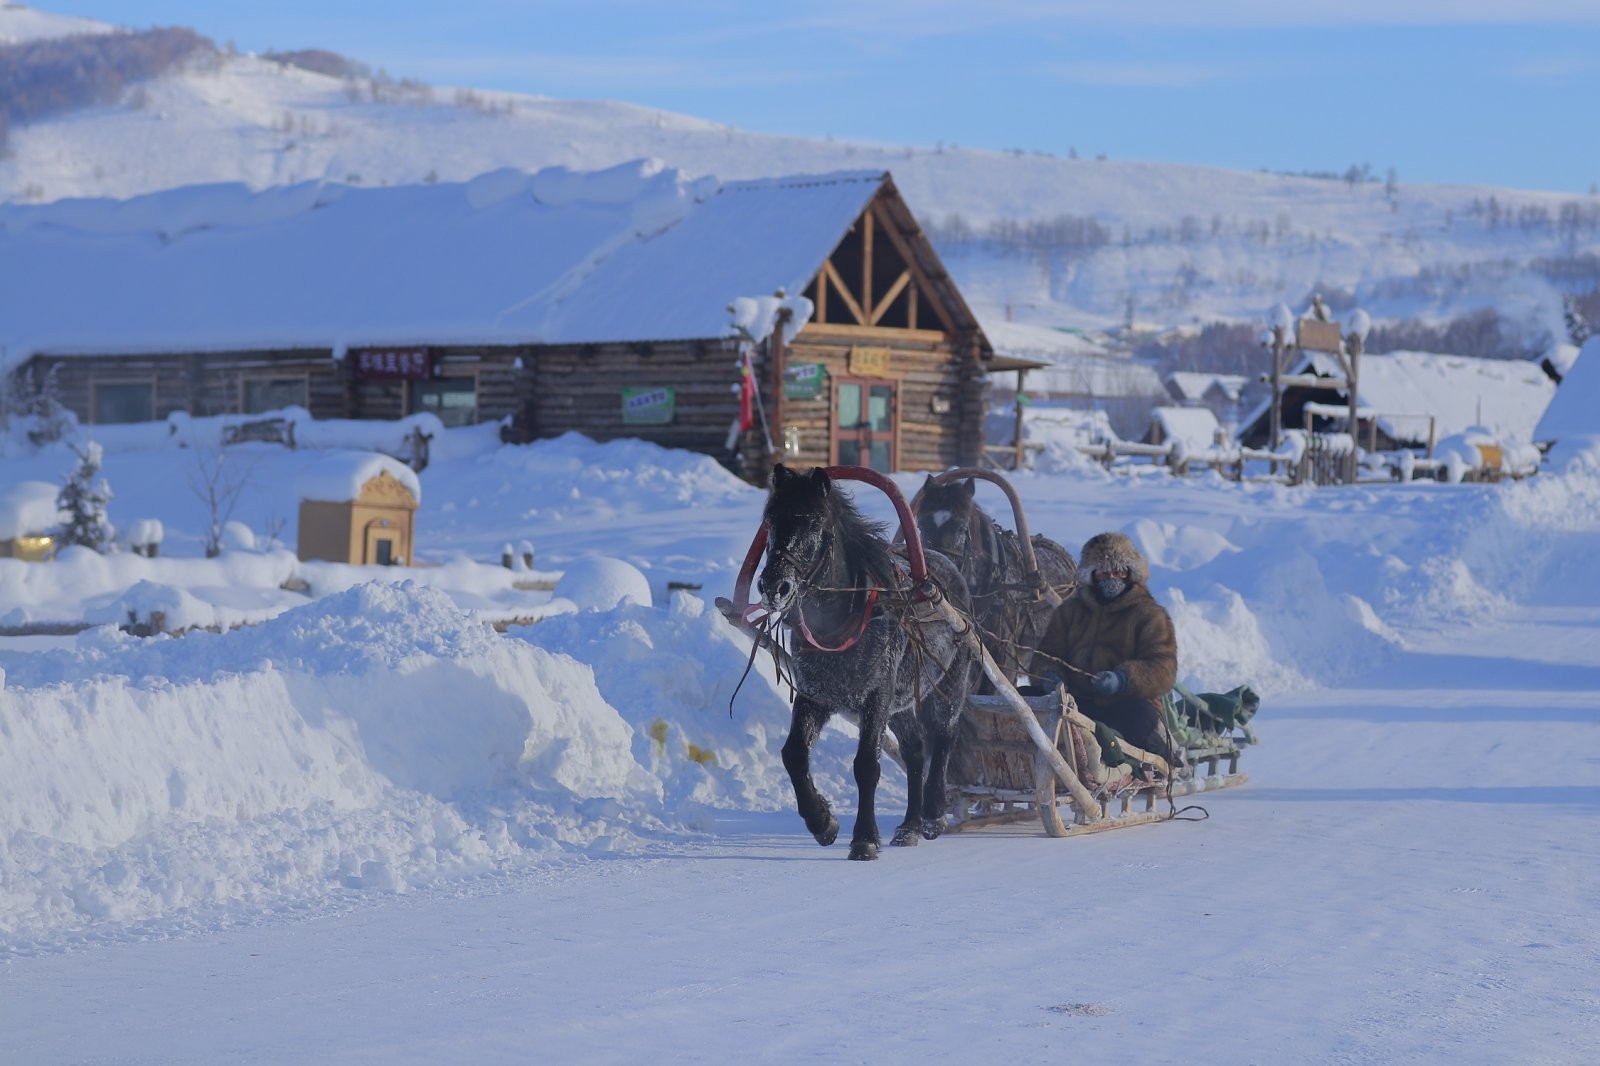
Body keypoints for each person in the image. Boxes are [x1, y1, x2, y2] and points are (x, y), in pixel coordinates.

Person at [1029, 531, 1180, 766]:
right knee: (1026, 699)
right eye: (1103, 571)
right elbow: (1046, 655)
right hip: (1074, 703)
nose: (1111, 577)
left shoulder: (1149, 614)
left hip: (1124, 706)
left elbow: (1164, 669)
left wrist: (1123, 679)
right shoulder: (1070, 611)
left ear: (1130, 573)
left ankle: (1141, 759)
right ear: (1092, 575)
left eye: (1118, 571)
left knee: (1140, 718)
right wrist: (1049, 675)